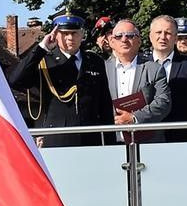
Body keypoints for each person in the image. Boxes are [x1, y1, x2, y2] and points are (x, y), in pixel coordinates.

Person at [7, 13, 113, 147]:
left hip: (90, 137)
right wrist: (41, 49)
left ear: (82, 34)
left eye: (74, 33)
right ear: (55, 35)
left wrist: (110, 144)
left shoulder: (94, 61)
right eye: (64, 33)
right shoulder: (44, 61)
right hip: (56, 138)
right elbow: (16, 81)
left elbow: (105, 106)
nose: (70, 38)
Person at [104, 19, 172, 139]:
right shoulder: (102, 69)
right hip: (111, 139)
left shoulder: (154, 69)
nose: (124, 40)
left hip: (147, 140)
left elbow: (163, 102)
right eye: (119, 36)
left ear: (139, 41)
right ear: (112, 42)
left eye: (130, 35)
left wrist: (135, 118)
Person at [147, 15, 187, 143]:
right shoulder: (139, 65)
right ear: (150, 36)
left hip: (181, 139)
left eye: (168, 33)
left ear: (175, 38)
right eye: (158, 32)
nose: (163, 37)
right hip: (146, 138)